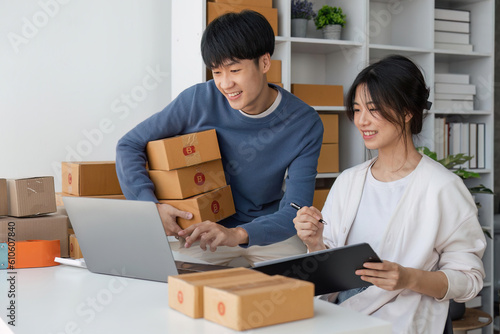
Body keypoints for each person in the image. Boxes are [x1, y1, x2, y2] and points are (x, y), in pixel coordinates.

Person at [293, 55, 485, 333]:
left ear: (407, 112)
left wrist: (408, 278)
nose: (361, 121)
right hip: (343, 320)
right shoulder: (349, 181)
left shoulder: (442, 187)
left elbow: (469, 280)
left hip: (404, 322)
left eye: (373, 110)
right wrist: (314, 242)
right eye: (357, 110)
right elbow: (330, 269)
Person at [115, 10, 323, 265]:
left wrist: (237, 234)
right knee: (169, 286)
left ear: (265, 63)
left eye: (234, 70)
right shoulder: (197, 101)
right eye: (216, 72)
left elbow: (295, 208)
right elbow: (129, 145)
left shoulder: (304, 122)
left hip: (267, 233)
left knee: (300, 292)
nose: (225, 84)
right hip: (201, 231)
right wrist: (151, 208)